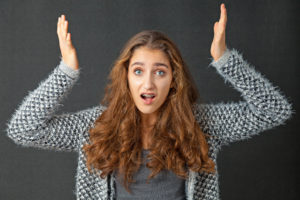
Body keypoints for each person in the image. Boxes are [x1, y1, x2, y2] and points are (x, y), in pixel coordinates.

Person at [5, 3, 294, 200]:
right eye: (138, 71)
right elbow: (23, 129)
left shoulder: (200, 125)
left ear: (174, 80)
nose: (148, 84)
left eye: (160, 72)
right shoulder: (97, 127)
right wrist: (66, 71)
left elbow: (273, 110)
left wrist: (224, 59)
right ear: (126, 76)